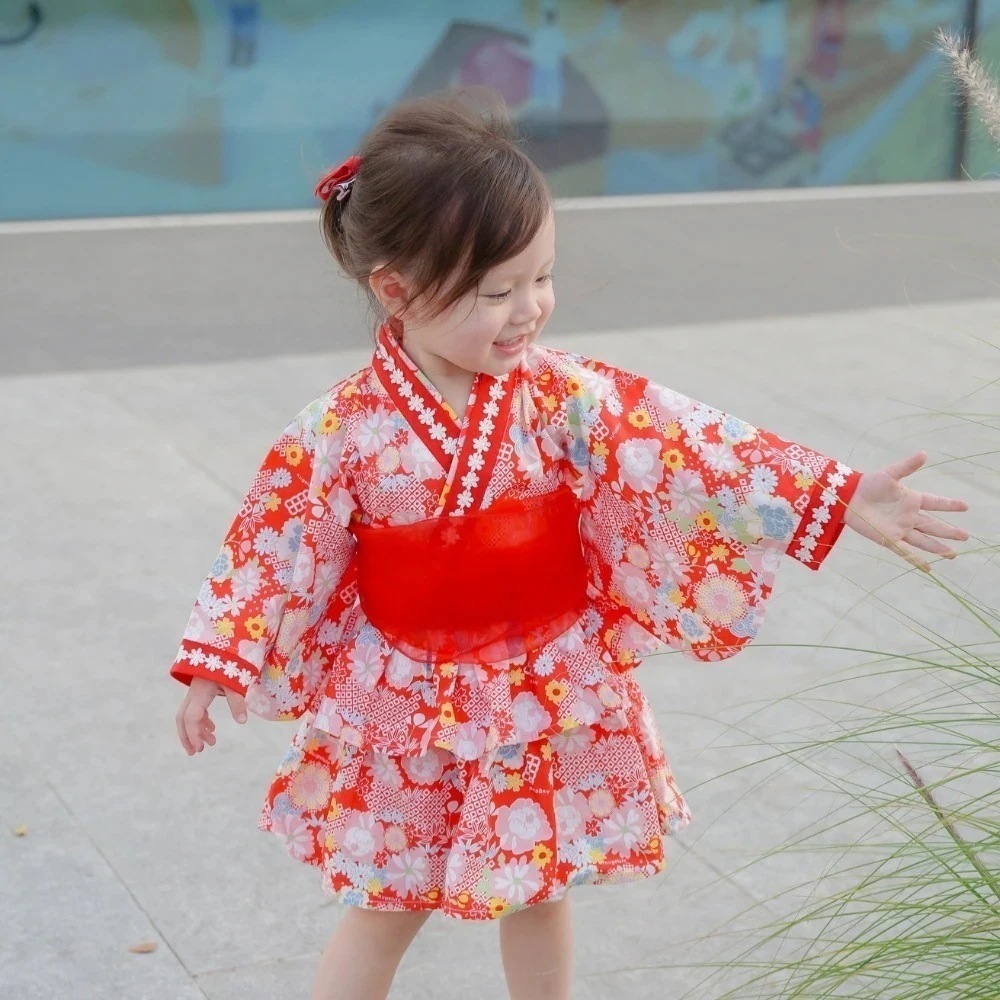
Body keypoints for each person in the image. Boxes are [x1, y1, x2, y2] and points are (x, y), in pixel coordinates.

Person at [170, 92, 970, 1000]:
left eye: (542, 278)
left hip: (543, 684)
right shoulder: (341, 430)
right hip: (407, 694)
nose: (530, 311)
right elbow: (278, 541)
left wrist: (829, 491)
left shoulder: (563, 397)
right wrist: (218, 662)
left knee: (540, 882)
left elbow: (684, 444)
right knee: (386, 900)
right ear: (394, 290)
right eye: (497, 292)